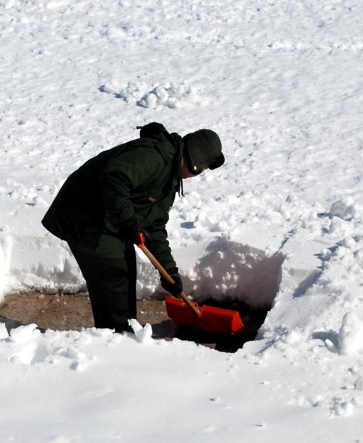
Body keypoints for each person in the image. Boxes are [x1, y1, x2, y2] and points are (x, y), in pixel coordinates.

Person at [41, 122, 225, 333]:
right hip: (84, 216)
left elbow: (154, 224)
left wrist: (169, 271)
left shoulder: (170, 173)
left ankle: (125, 331)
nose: (198, 175)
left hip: (109, 218)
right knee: (113, 276)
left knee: (125, 269)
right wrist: (127, 221)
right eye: (201, 170)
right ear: (194, 164)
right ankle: (115, 337)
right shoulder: (155, 156)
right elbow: (114, 176)